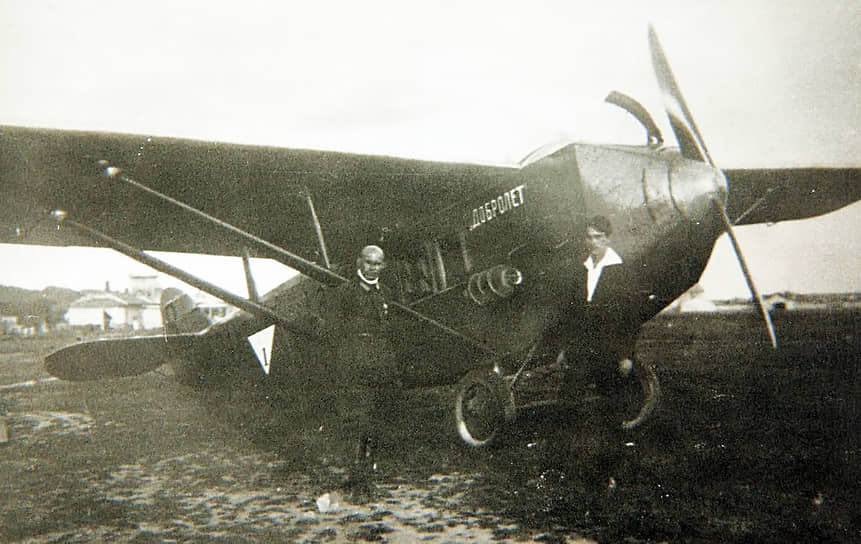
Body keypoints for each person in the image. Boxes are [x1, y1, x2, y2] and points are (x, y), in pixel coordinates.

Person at [540, 215, 641, 509]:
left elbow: (631, 319)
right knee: (566, 405)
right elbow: (572, 316)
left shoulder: (622, 272)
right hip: (583, 352)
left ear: (608, 239)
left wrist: (626, 355)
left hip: (610, 354)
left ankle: (611, 473)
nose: (592, 242)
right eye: (589, 237)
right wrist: (564, 349)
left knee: (612, 413)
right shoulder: (582, 271)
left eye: (598, 237)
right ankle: (559, 469)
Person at [326, 245, 401, 487]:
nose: (372, 267)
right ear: (359, 262)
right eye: (368, 262)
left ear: (384, 266)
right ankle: (356, 469)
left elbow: (391, 329)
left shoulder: (386, 292)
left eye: (377, 263)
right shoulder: (345, 292)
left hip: (381, 361)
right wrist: (348, 358)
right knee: (357, 415)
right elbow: (334, 330)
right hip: (355, 362)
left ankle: (372, 464)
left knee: (379, 413)